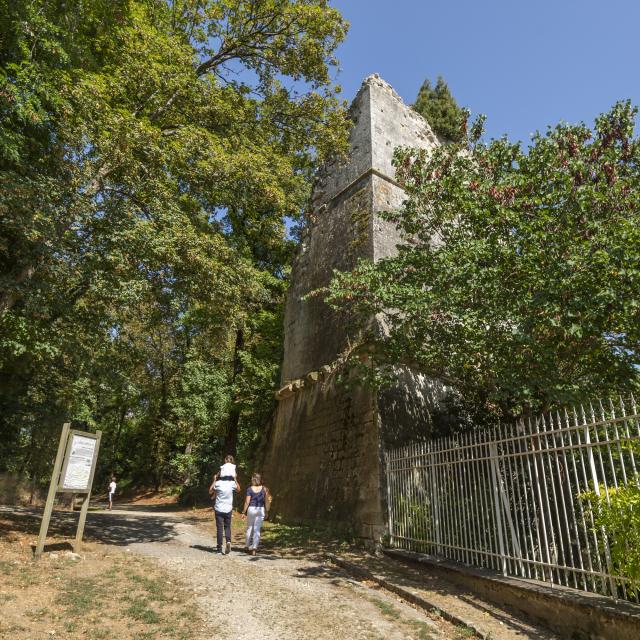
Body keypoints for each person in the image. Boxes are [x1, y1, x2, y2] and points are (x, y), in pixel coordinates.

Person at [209, 474, 240, 554]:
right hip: (228, 509)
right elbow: (239, 489)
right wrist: (235, 479)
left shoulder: (218, 483)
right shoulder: (231, 483)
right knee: (227, 527)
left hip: (219, 509)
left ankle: (219, 548)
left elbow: (210, 491)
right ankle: (228, 541)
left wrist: (214, 480)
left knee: (219, 528)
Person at [241, 473, 270, 556]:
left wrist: (243, 512)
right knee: (257, 530)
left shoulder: (249, 489)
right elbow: (267, 501)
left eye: (251, 479)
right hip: (260, 510)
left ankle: (246, 546)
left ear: (254, 479)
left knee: (249, 528)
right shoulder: (265, 489)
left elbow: (247, 502)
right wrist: (267, 511)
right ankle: (254, 549)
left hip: (251, 509)